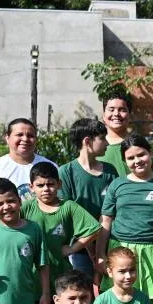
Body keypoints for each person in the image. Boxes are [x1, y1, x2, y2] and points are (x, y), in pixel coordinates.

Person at [96, 135, 153, 300]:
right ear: (125, 161)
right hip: (122, 250)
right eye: (130, 158)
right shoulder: (117, 185)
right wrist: (101, 254)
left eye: (141, 155)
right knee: (124, 299)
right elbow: (106, 220)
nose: (137, 160)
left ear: (151, 154)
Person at [20, 161, 101, 289]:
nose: (46, 189)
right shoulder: (26, 207)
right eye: (40, 185)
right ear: (31, 187)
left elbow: (95, 229)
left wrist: (73, 248)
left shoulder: (68, 206)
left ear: (59, 184)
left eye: (50, 184)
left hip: (61, 273)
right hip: (32, 274)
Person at [58, 118, 118, 277]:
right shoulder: (66, 172)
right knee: (82, 294)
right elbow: (68, 214)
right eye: (102, 138)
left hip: (107, 244)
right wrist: (91, 250)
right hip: (78, 248)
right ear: (87, 141)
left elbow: (112, 213)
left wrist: (100, 251)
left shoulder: (110, 171)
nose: (107, 143)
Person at [0, 118, 55, 230]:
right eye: (19, 134)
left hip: (45, 234)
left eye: (30, 135)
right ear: (7, 138)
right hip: (7, 237)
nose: (25, 139)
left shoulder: (50, 166)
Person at [98, 92, 153, 178]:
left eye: (122, 110)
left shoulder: (142, 146)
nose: (116, 114)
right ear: (103, 115)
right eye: (111, 109)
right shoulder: (96, 147)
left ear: (130, 115)